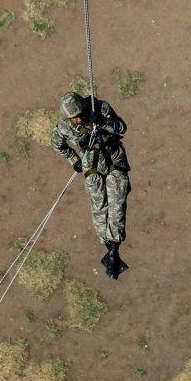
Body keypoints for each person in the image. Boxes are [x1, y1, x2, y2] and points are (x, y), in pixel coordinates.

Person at [50, 92, 130, 280]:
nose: (77, 119)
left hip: (113, 162)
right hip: (91, 165)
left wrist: (103, 123)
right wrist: (73, 159)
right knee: (99, 207)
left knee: (117, 205)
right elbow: (56, 143)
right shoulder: (65, 126)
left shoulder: (99, 108)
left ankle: (114, 248)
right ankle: (109, 247)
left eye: (79, 114)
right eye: (73, 117)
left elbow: (122, 127)